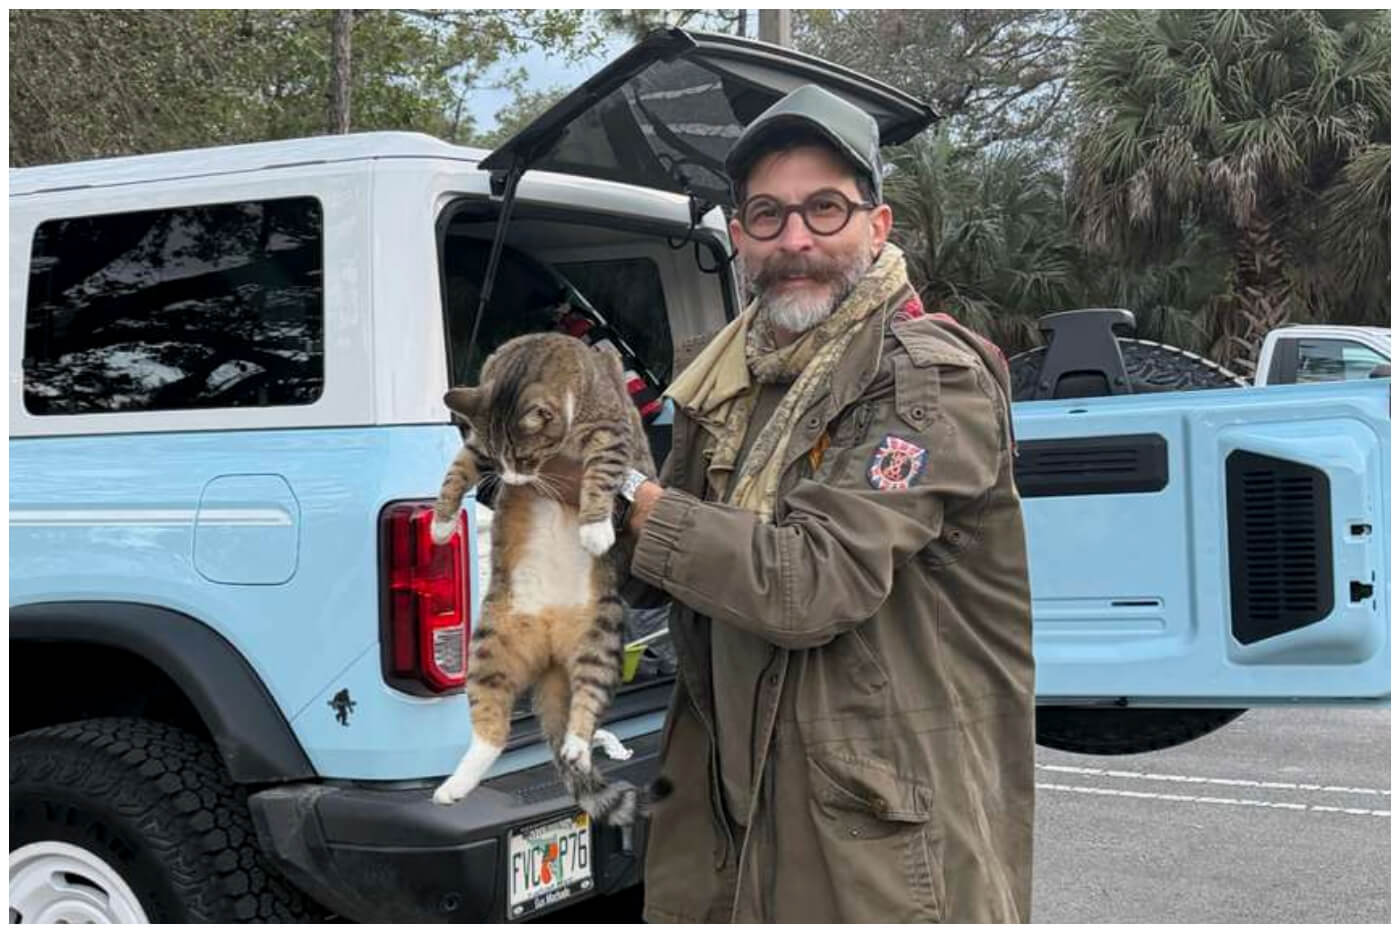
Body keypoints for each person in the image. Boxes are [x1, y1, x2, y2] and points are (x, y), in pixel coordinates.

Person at [607, 84, 1035, 923]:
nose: (794, 240)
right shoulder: (731, 381)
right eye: (767, 215)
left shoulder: (927, 379)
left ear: (878, 227)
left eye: (825, 209)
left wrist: (624, 493)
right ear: (738, 239)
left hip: (875, 833)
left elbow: (810, 583)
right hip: (737, 804)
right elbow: (654, 571)